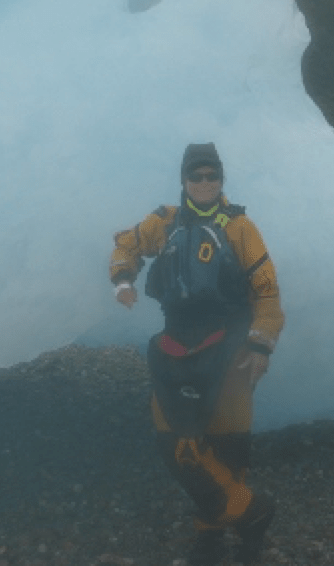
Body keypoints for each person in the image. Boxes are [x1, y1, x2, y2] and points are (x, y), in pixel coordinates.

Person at [109, 143, 285, 565]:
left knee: (227, 444)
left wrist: (261, 344)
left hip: (230, 342)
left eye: (212, 176)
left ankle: (215, 534)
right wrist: (123, 281)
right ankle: (252, 513)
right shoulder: (165, 222)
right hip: (177, 341)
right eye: (196, 176)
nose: (205, 183)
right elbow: (126, 244)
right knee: (176, 441)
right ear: (184, 180)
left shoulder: (239, 227)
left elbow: (266, 290)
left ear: (222, 179)